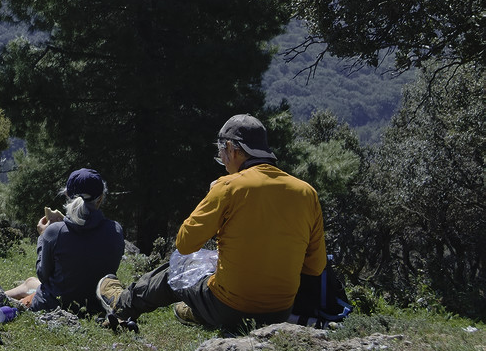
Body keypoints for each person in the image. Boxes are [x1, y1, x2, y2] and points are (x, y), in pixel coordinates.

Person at [99, 114, 325, 333]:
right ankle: (195, 312)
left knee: (178, 270)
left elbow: (185, 244)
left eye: (221, 152)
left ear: (231, 148)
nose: (222, 160)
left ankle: (122, 303)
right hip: (280, 312)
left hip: (230, 308)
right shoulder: (307, 192)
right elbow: (315, 267)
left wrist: (212, 195)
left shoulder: (229, 187)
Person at [4, 168, 126, 313]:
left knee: (31, 286)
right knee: (30, 283)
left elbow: (43, 275)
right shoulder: (115, 230)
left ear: (67, 195)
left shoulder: (54, 232)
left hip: (57, 305)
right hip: (96, 306)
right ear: (100, 198)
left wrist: (43, 237)